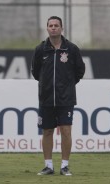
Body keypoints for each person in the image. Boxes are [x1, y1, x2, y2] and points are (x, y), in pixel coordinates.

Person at [31, 16, 85, 176]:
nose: (53, 28)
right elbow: (35, 72)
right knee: (47, 132)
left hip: (65, 98)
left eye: (56, 25)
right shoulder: (40, 49)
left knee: (66, 131)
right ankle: (48, 166)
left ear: (62, 28)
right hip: (46, 98)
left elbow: (80, 71)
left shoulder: (72, 49)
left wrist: (67, 85)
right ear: (47, 28)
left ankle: (65, 166)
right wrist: (47, 86)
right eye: (50, 25)